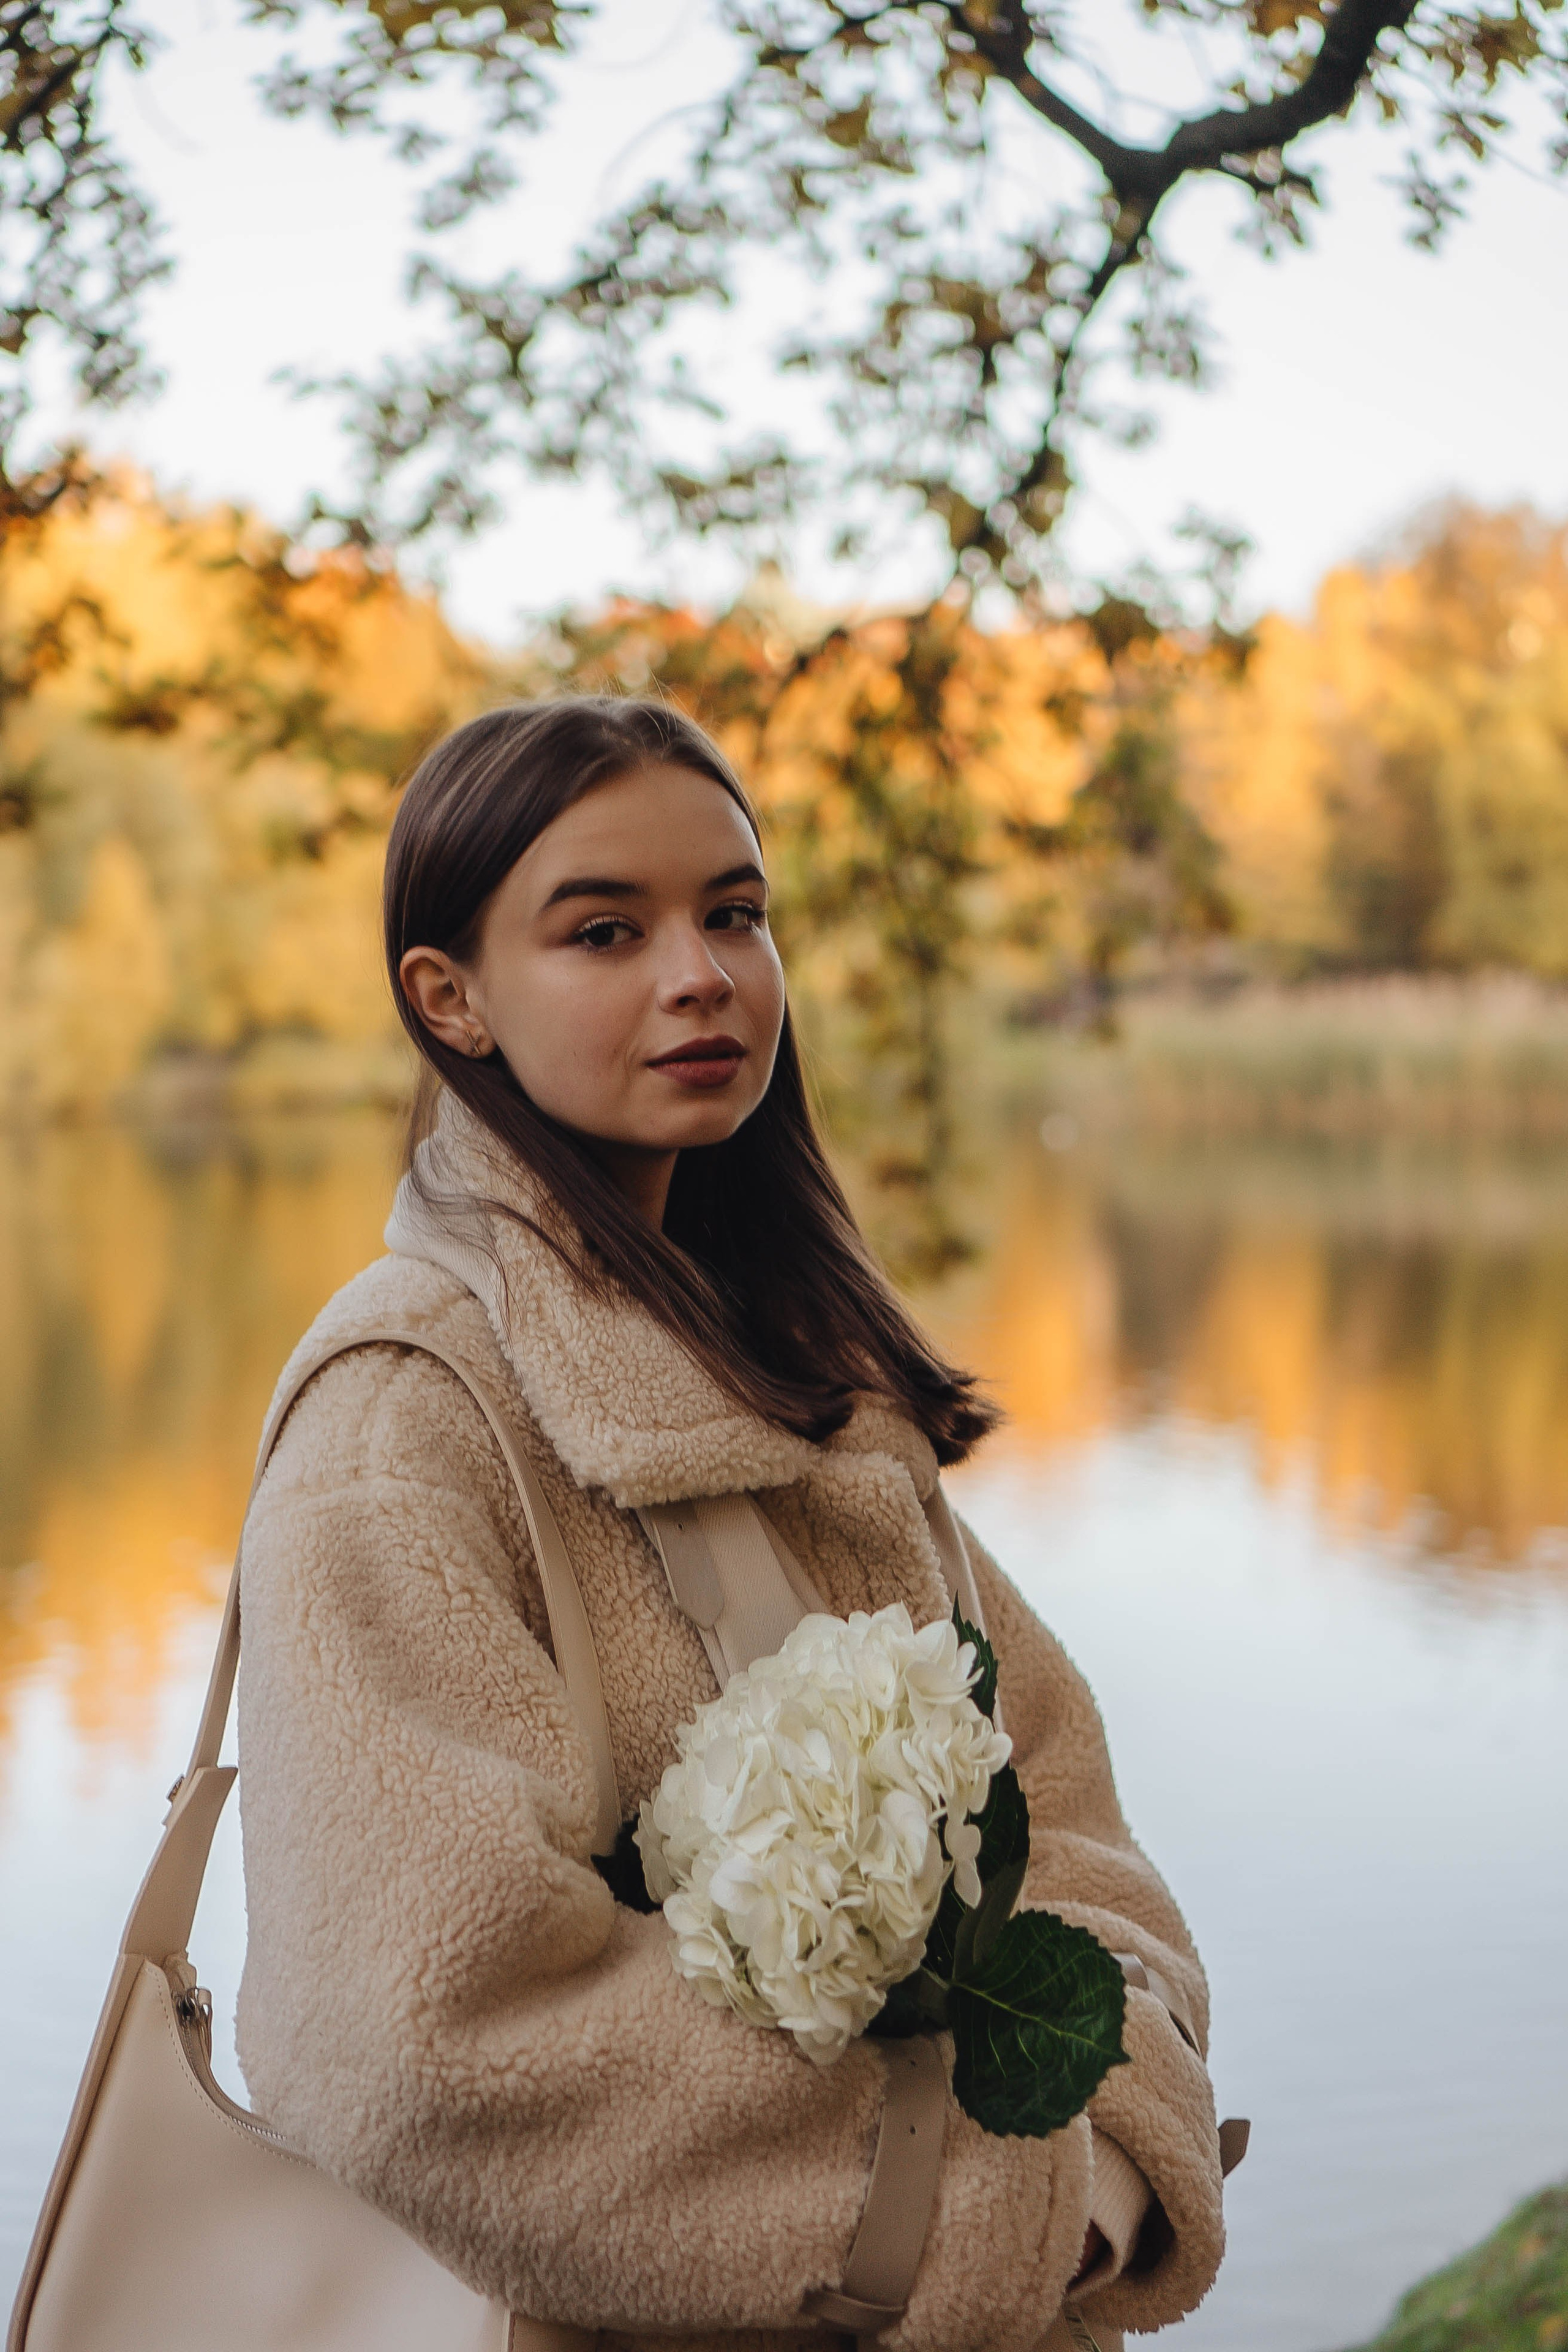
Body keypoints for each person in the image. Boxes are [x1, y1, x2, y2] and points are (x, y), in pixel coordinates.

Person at [236, 697, 1226, 2352]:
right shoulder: (404, 1422)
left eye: (736, 914)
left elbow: (1061, 1819)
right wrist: (977, 2213)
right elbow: (426, 2038)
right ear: (450, 997)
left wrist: (1109, 2152)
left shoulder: (804, 1372)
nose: (702, 975)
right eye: (605, 931)